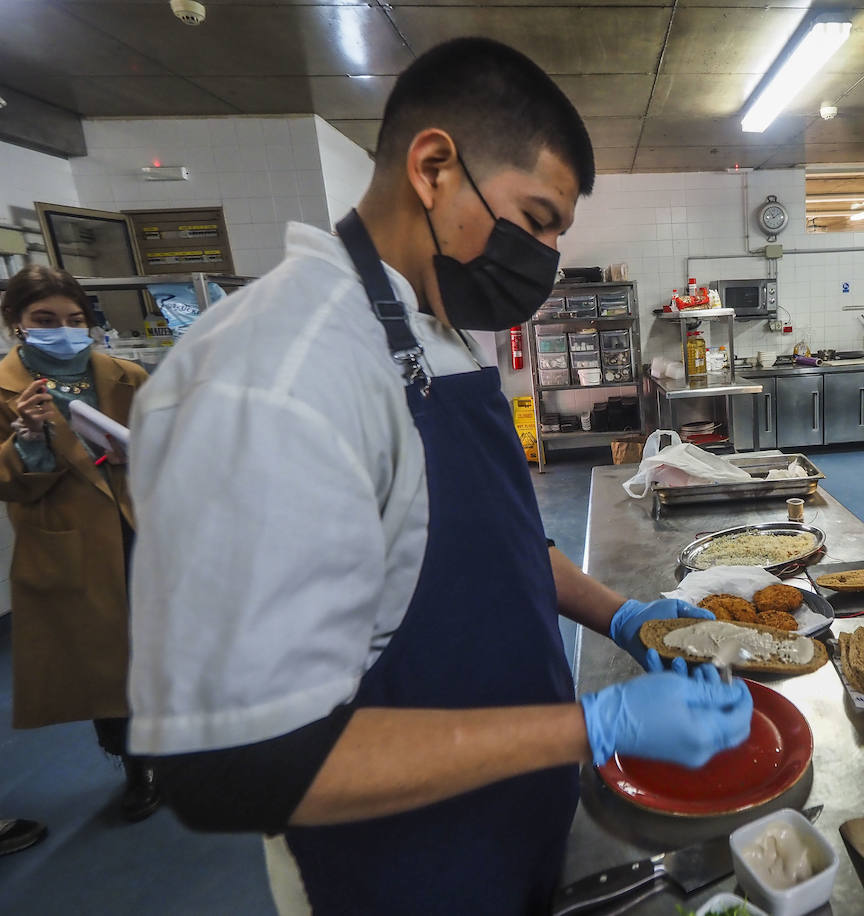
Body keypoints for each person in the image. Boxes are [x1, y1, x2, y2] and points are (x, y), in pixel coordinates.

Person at [125, 37, 752, 915]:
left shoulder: (436, 331)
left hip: (505, 823)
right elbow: (244, 764)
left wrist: (625, 618)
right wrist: (594, 726)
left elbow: (490, 547)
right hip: (395, 869)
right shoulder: (277, 374)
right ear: (433, 167)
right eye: (535, 220)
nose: (543, 257)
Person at [0, 265, 158, 822]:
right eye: (43, 320)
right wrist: (31, 439)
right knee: (105, 659)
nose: (62, 330)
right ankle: (136, 765)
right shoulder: (6, 390)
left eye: (74, 320)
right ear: (15, 324)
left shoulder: (125, 375)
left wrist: (135, 455)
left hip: (140, 527)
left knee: (160, 647)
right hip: (71, 539)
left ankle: (181, 747)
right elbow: (9, 482)